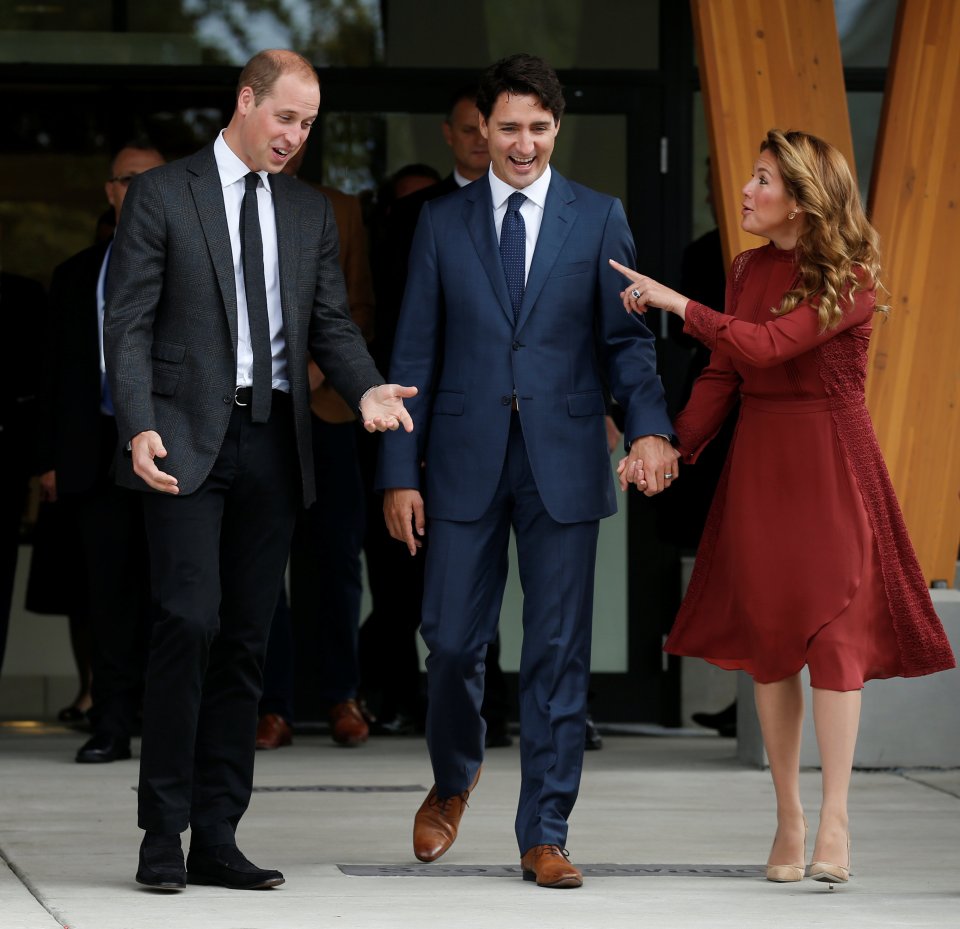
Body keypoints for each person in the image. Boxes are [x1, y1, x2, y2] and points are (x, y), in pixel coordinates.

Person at [103, 49, 415, 892]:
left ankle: (217, 834)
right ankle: (162, 831)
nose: (295, 137)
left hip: (276, 444)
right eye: (285, 118)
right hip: (181, 442)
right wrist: (136, 425)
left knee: (247, 639)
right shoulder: (165, 195)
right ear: (245, 102)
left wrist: (366, 385)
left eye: (308, 125)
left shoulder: (310, 213)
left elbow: (330, 327)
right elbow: (126, 325)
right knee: (188, 622)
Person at [612, 129, 955, 886]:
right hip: (761, 468)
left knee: (835, 639)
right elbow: (726, 375)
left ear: (800, 199)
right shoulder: (744, 268)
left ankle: (835, 818)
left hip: (833, 467)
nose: (745, 190)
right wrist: (666, 446)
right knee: (771, 646)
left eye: (763, 180)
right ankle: (788, 817)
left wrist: (677, 304)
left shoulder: (853, 272)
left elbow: (769, 346)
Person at [377, 53, 676, 889]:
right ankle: (453, 777)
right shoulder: (442, 222)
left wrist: (650, 428)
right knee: (450, 644)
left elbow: (627, 346)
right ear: (482, 129)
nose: (522, 143)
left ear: (556, 127)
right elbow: (412, 354)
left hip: (565, 462)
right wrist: (400, 470)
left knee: (556, 651)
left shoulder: (598, 217)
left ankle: (545, 829)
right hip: (462, 461)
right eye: (507, 127)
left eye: (538, 128)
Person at [362, 83, 515, 747]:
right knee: (419, 578)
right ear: (450, 135)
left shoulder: (550, 211)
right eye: (471, 127)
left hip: (519, 420)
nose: (484, 138)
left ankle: (496, 705)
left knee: (501, 581)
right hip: (434, 418)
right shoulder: (414, 215)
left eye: (494, 126)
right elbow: (402, 330)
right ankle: (408, 697)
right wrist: (408, 432)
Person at [42, 143, 164, 764]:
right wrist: (49, 459)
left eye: (153, 178)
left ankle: (168, 727)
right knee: (107, 598)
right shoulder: (73, 274)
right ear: (111, 192)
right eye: (128, 180)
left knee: (173, 596)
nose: (140, 188)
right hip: (96, 455)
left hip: (172, 457)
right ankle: (112, 722)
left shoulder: (189, 264)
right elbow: (55, 376)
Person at [256, 144, 375, 751]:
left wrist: (313, 372)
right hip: (251, 414)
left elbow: (356, 307)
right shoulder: (215, 204)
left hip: (326, 408)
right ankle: (269, 706)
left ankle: (339, 696)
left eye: (302, 126)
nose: (290, 138)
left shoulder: (341, 209)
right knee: (258, 562)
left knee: (334, 560)